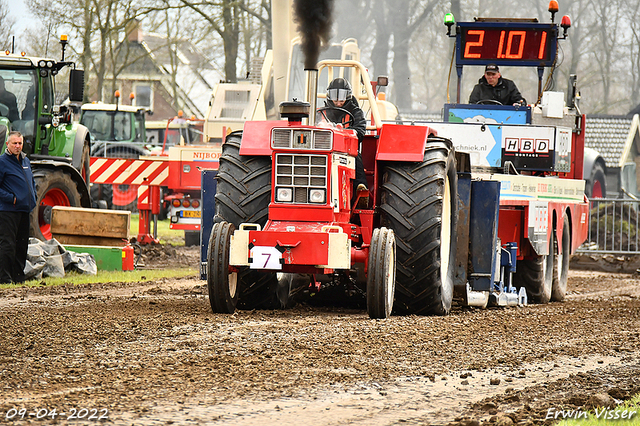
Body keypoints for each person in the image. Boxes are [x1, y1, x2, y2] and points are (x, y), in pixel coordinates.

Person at [322, 77, 369, 207]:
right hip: (325, 150)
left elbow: (360, 131)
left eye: (341, 96)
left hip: (347, 151)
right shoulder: (322, 112)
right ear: (329, 96)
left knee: (356, 158)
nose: (338, 101)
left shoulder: (356, 112)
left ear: (348, 96)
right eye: (334, 96)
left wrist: (346, 132)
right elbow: (315, 127)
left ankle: (361, 189)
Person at [0, 131, 37, 284]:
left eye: (20, 143)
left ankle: (18, 278)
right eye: (14, 143)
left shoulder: (25, 161)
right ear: (7, 144)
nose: (17, 146)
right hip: (8, 211)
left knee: (22, 245)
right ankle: (5, 278)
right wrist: (12, 199)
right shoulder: (2, 162)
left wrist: (32, 197)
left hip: (24, 210)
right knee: (7, 244)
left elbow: (31, 182)